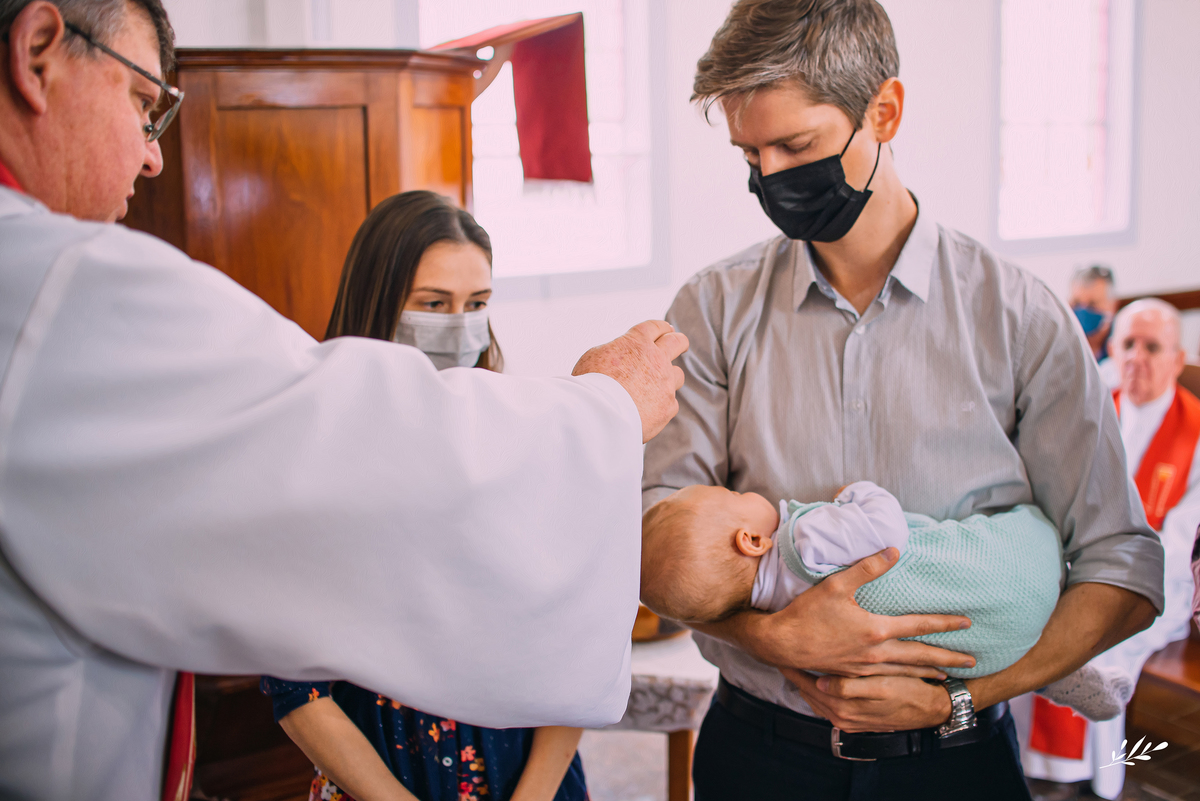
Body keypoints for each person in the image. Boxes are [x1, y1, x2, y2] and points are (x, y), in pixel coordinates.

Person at [0, 2, 689, 799]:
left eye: (477, 302)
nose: (153, 156)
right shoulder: (50, 278)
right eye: (142, 103)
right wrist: (604, 405)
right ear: (40, 53)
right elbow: (332, 427)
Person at [642, 2, 1163, 799]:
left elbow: (1122, 565)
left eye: (796, 146)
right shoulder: (711, 310)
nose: (770, 176)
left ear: (883, 111)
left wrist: (958, 700)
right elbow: (660, 545)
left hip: (957, 757)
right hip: (761, 749)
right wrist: (777, 635)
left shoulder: (1020, 315)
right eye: (750, 153)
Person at [261, 191, 588, 801]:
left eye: (477, 304)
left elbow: (577, 642)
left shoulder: (528, 439)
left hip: (532, 777)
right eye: (434, 304)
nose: (460, 325)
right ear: (378, 302)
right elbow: (295, 687)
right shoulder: (311, 458)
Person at [641, 482, 1129, 720]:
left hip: (980, 655)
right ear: (751, 541)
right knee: (983, 549)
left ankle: (1059, 676)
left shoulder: (778, 619)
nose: (745, 489)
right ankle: (1058, 665)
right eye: (732, 493)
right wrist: (859, 493)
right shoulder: (803, 539)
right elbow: (887, 528)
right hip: (1011, 582)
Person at [1015, 298, 1200, 799]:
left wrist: (1111, 573)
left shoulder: (1196, 431)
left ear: (1177, 358)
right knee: (1029, 607)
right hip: (1081, 561)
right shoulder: (1093, 407)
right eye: (1128, 344)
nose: (1138, 357)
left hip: (1160, 581)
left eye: (1152, 347)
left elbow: (1183, 538)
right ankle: (1032, 762)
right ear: (1112, 351)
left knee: (1101, 637)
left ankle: (1095, 776)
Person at [1068, 265, 1119, 387]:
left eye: (1092, 304)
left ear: (1112, 305)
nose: (1083, 310)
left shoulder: (1124, 344)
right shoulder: (1062, 343)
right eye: (1077, 303)